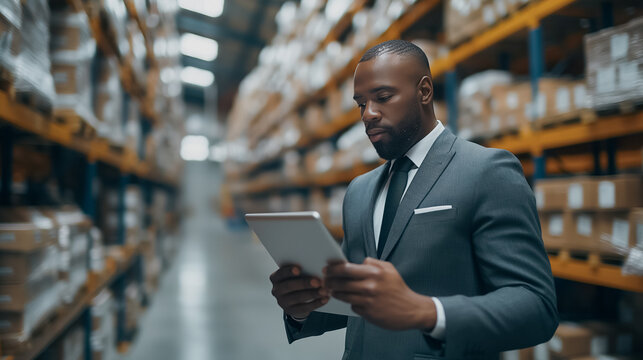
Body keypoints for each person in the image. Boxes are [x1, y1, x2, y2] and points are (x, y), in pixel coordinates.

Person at [269, 40, 558, 359]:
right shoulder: (359, 192)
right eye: (361, 104)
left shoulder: (485, 171)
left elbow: (536, 307)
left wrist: (427, 312)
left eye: (383, 97)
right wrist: (303, 306)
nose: (369, 115)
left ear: (424, 91)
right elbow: (360, 304)